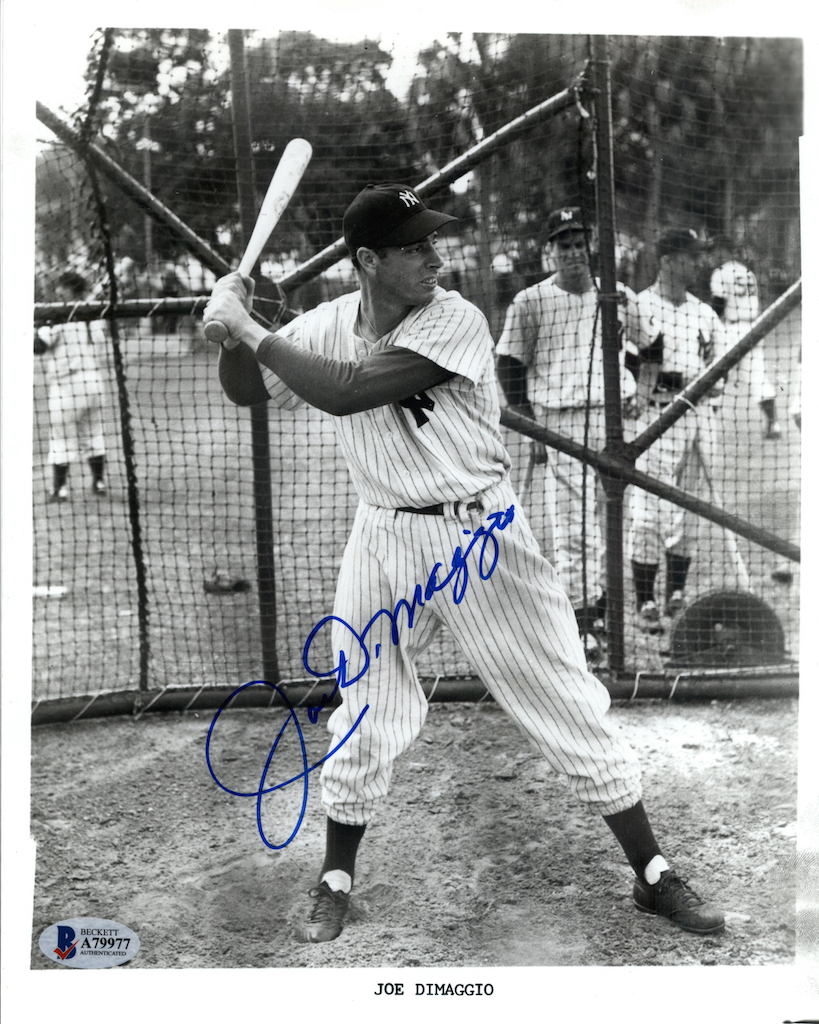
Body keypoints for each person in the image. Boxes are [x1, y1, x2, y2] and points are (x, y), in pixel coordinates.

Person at [204, 183, 725, 944]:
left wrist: (250, 325)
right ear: (367, 261)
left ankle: (651, 872)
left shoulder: (455, 317)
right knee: (363, 707)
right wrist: (231, 333)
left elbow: (346, 391)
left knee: (561, 698)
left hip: (478, 535)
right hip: (382, 535)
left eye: (431, 241)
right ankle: (335, 877)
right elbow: (247, 388)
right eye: (414, 246)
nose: (433, 257)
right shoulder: (326, 323)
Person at [495, 207, 644, 655]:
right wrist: (532, 429)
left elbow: (646, 346)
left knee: (615, 520)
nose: (574, 252)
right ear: (551, 251)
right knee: (573, 527)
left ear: (591, 246)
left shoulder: (617, 295)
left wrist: (638, 388)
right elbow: (508, 367)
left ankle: (605, 612)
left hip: (612, 421)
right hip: (559, 420)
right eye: (565, 245)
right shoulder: (531, 301)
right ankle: (581, 622)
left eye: (580, 243)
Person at [628, 229, 727, 627]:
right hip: (655, 417)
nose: (698, 263)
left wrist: (700, 386)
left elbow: (720, 374)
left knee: (688, 511)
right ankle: (645, 601)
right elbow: (628, 368)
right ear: (668, 261)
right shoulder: (639, 306)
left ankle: (675, 594)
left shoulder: (705, 313)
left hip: (699, 417)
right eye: (691, 256)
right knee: (648, 510)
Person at [35, 270, 108, 501]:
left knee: (61, 438)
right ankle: (99, 483)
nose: (57, 290)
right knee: (93, 434)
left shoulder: (59, 315)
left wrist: (34, 327)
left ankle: (59, 489)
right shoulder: (95, 314)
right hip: (94, 382)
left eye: (61, 286)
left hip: (67, 384)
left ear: (69, 289)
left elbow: (38, 347)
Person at [709, 241, 781, 439]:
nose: (712, 255)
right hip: (752, 329)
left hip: (731, 329)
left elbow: (718, 304)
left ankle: (705, 425)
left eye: (714, 251)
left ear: (724, 250)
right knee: (757, 376)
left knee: (716, 376)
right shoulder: (746, 271)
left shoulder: (720, 272)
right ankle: (774, 424)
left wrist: (710, 324)